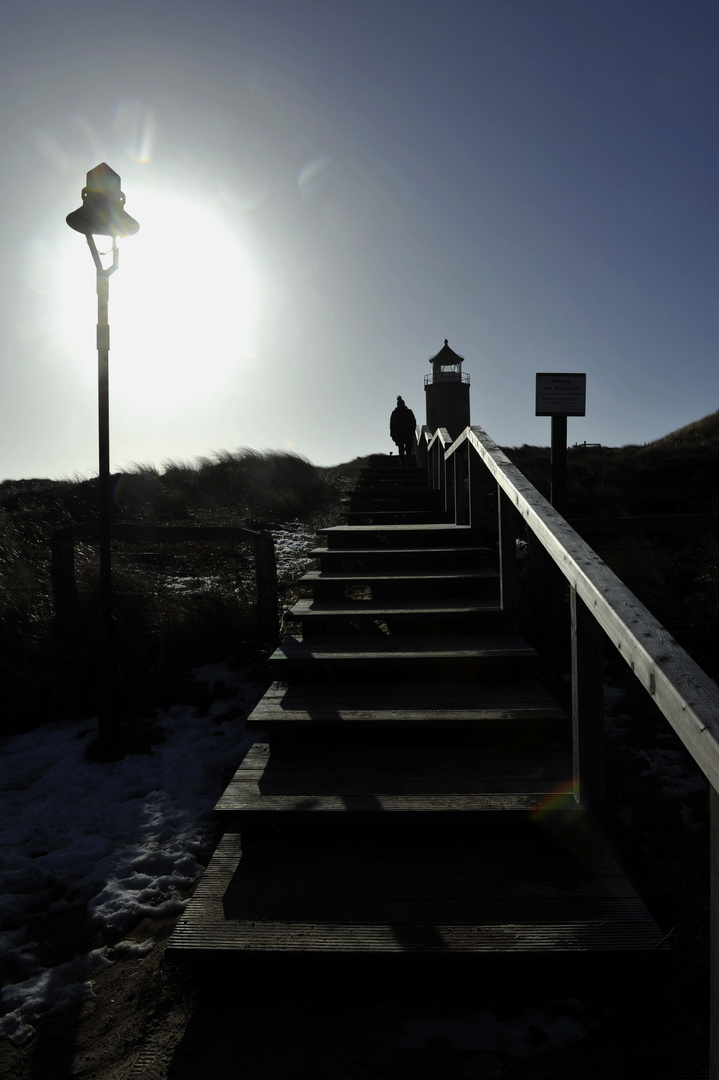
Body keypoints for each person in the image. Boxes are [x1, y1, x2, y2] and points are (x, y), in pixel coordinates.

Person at [390, 395, 416, 466]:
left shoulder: (394, 413)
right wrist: (412, 431)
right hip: (408, 433)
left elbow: (392, 425)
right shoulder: (409, 412)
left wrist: (392, 434)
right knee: (408, 448)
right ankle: (408, 461)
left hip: (399, 434)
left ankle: (402, 462)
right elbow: (413, 422)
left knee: (401, 448)